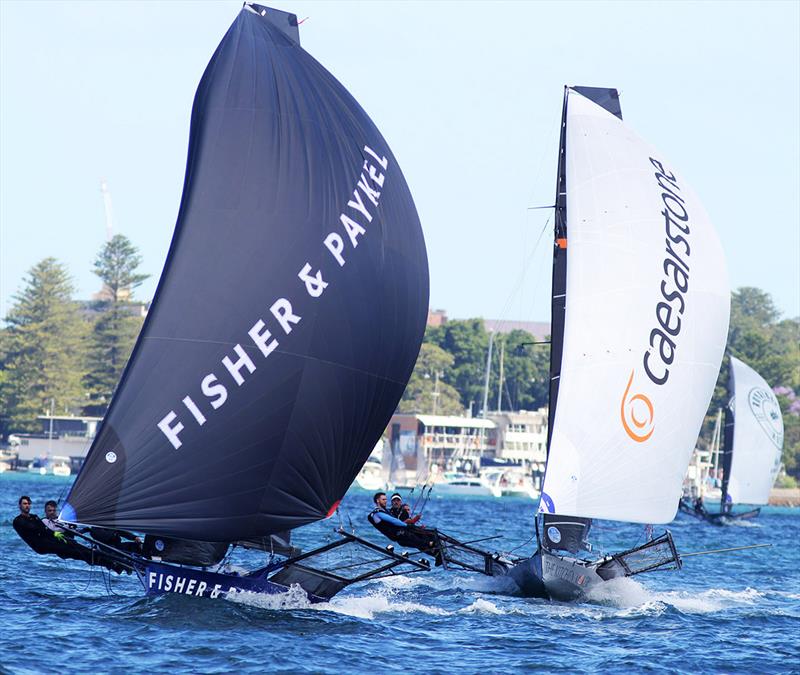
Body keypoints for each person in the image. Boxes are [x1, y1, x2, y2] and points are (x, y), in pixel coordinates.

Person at [12, 495, 126, 573]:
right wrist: (54, 534)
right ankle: (112, 564)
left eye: (28, 504)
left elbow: (43, 529)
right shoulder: (18, 521)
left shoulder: (34, 517)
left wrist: (57, 534)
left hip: (50, 541)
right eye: (24, 504)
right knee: (76, 552)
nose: (27, 506)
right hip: (41, 546)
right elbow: (37, 529)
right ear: (20, 506)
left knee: (80, 549)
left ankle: (112, 564)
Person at [367, 492, 442, 565]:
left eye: (386, 499)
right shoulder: (377, 513)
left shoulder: (388, 511)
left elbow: (398, 520)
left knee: (427, 536)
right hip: (399, 534)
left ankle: (437, 554)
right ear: (377, 500)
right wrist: (407, 525)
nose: (385, 501)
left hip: (401, 533)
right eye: (383, 499)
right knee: (420, 541)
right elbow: (393, 521)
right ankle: (432, 544)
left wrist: (411, 523)